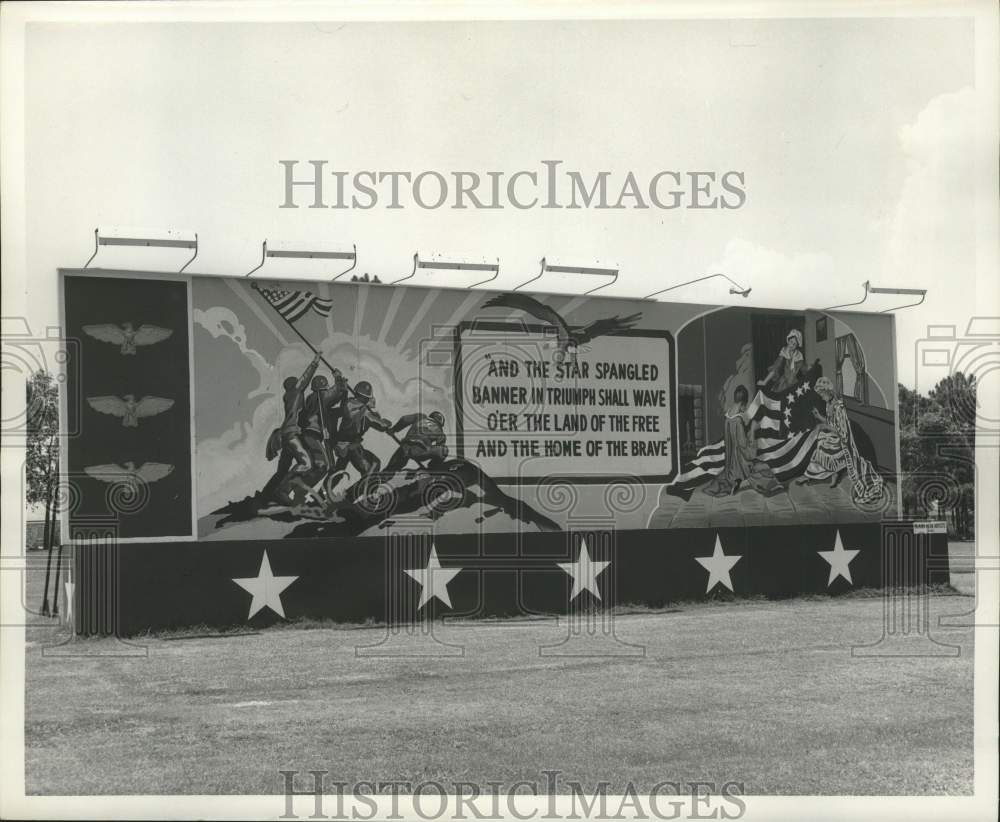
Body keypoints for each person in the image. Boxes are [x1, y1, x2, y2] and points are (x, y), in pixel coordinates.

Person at [797, 376, 883, 503]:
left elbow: (841, 430)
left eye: (822, 393)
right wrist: (819, 417)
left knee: (857, 463)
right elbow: (831, 422)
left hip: (849, 437)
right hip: (841, 435)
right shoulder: (829, 404)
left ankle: (870, 490)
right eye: (820, 394)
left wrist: (824, 426)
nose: (821, 396)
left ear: (828, 391)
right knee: (820, 440)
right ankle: (818, 474)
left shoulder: (838, 407)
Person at [704, 385, 784, 498]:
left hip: (730, 463)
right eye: (745, 406)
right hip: (741, 461)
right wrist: (751, 432)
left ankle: (736, 480)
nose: (745, 409)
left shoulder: (728, 418)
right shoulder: (738, 420)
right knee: (762, 467)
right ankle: (772, 486)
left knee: (728, 474)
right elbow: (743, 445)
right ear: (742, 404)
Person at [330, 380, 394, 478]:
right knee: (371, 466)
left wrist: (381, 421)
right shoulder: (358, 407)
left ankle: (323, 492)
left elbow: (379, 425)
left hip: (347, 445)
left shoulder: (360, 408)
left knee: (338, 472)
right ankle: (356, 492)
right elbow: (380, 423)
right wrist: (383, 422)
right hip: (350, 445)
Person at [300, 369, 350, 478]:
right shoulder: (318, 396)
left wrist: (345, 391)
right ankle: (299, 486)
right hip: (311, 436)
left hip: (312, 436)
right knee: (323, 465)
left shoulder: (318, 402)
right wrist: (338, 378)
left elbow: (340, 407)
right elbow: (335, 393)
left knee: (320, 465)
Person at [758, 328, 806, 393]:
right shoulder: (784, 353)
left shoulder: (799, 356)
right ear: (788, 340)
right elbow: (775, 368)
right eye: (791, 342)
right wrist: (765, 381)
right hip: (783, 384)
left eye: (794, 344)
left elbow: (804, 369)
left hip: (794, 384)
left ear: (797, 345)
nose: (792, 345)